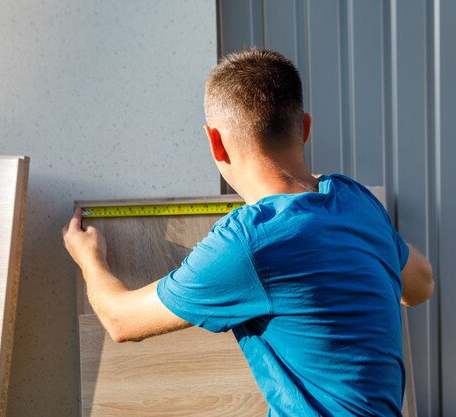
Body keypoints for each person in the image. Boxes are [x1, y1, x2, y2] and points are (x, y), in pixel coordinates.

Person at [63, 48, 434, 416]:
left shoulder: (249, 243)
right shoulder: (355, 200)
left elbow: (120, 321)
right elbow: (421, 285)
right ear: (304, 128)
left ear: (215, 142)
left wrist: (88, 258)